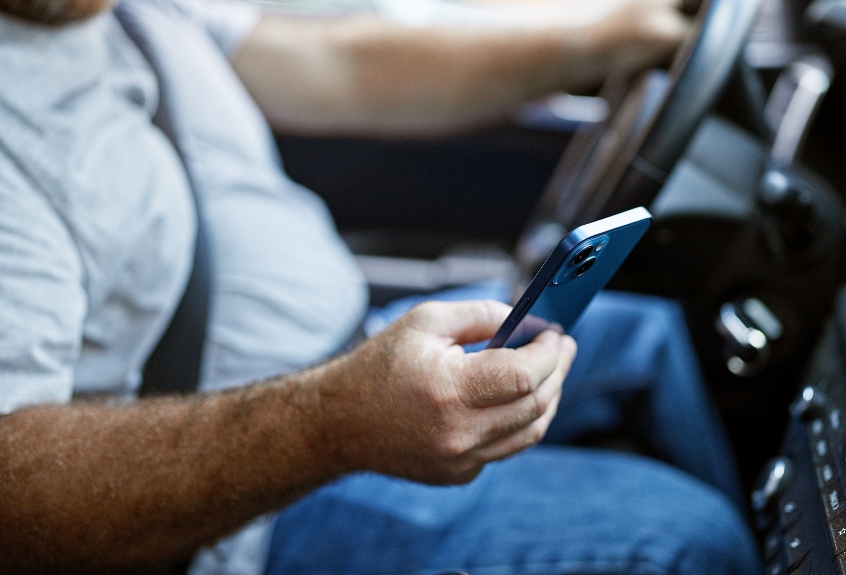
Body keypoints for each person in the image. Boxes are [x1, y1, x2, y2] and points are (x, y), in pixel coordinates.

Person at [0, 0, 761, 573]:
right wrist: (338, 422)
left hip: (346, 359)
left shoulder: (115, 12)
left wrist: (616, 34)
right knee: (691, 538)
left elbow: (345, 67)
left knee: (655, 333)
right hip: (249, 514)